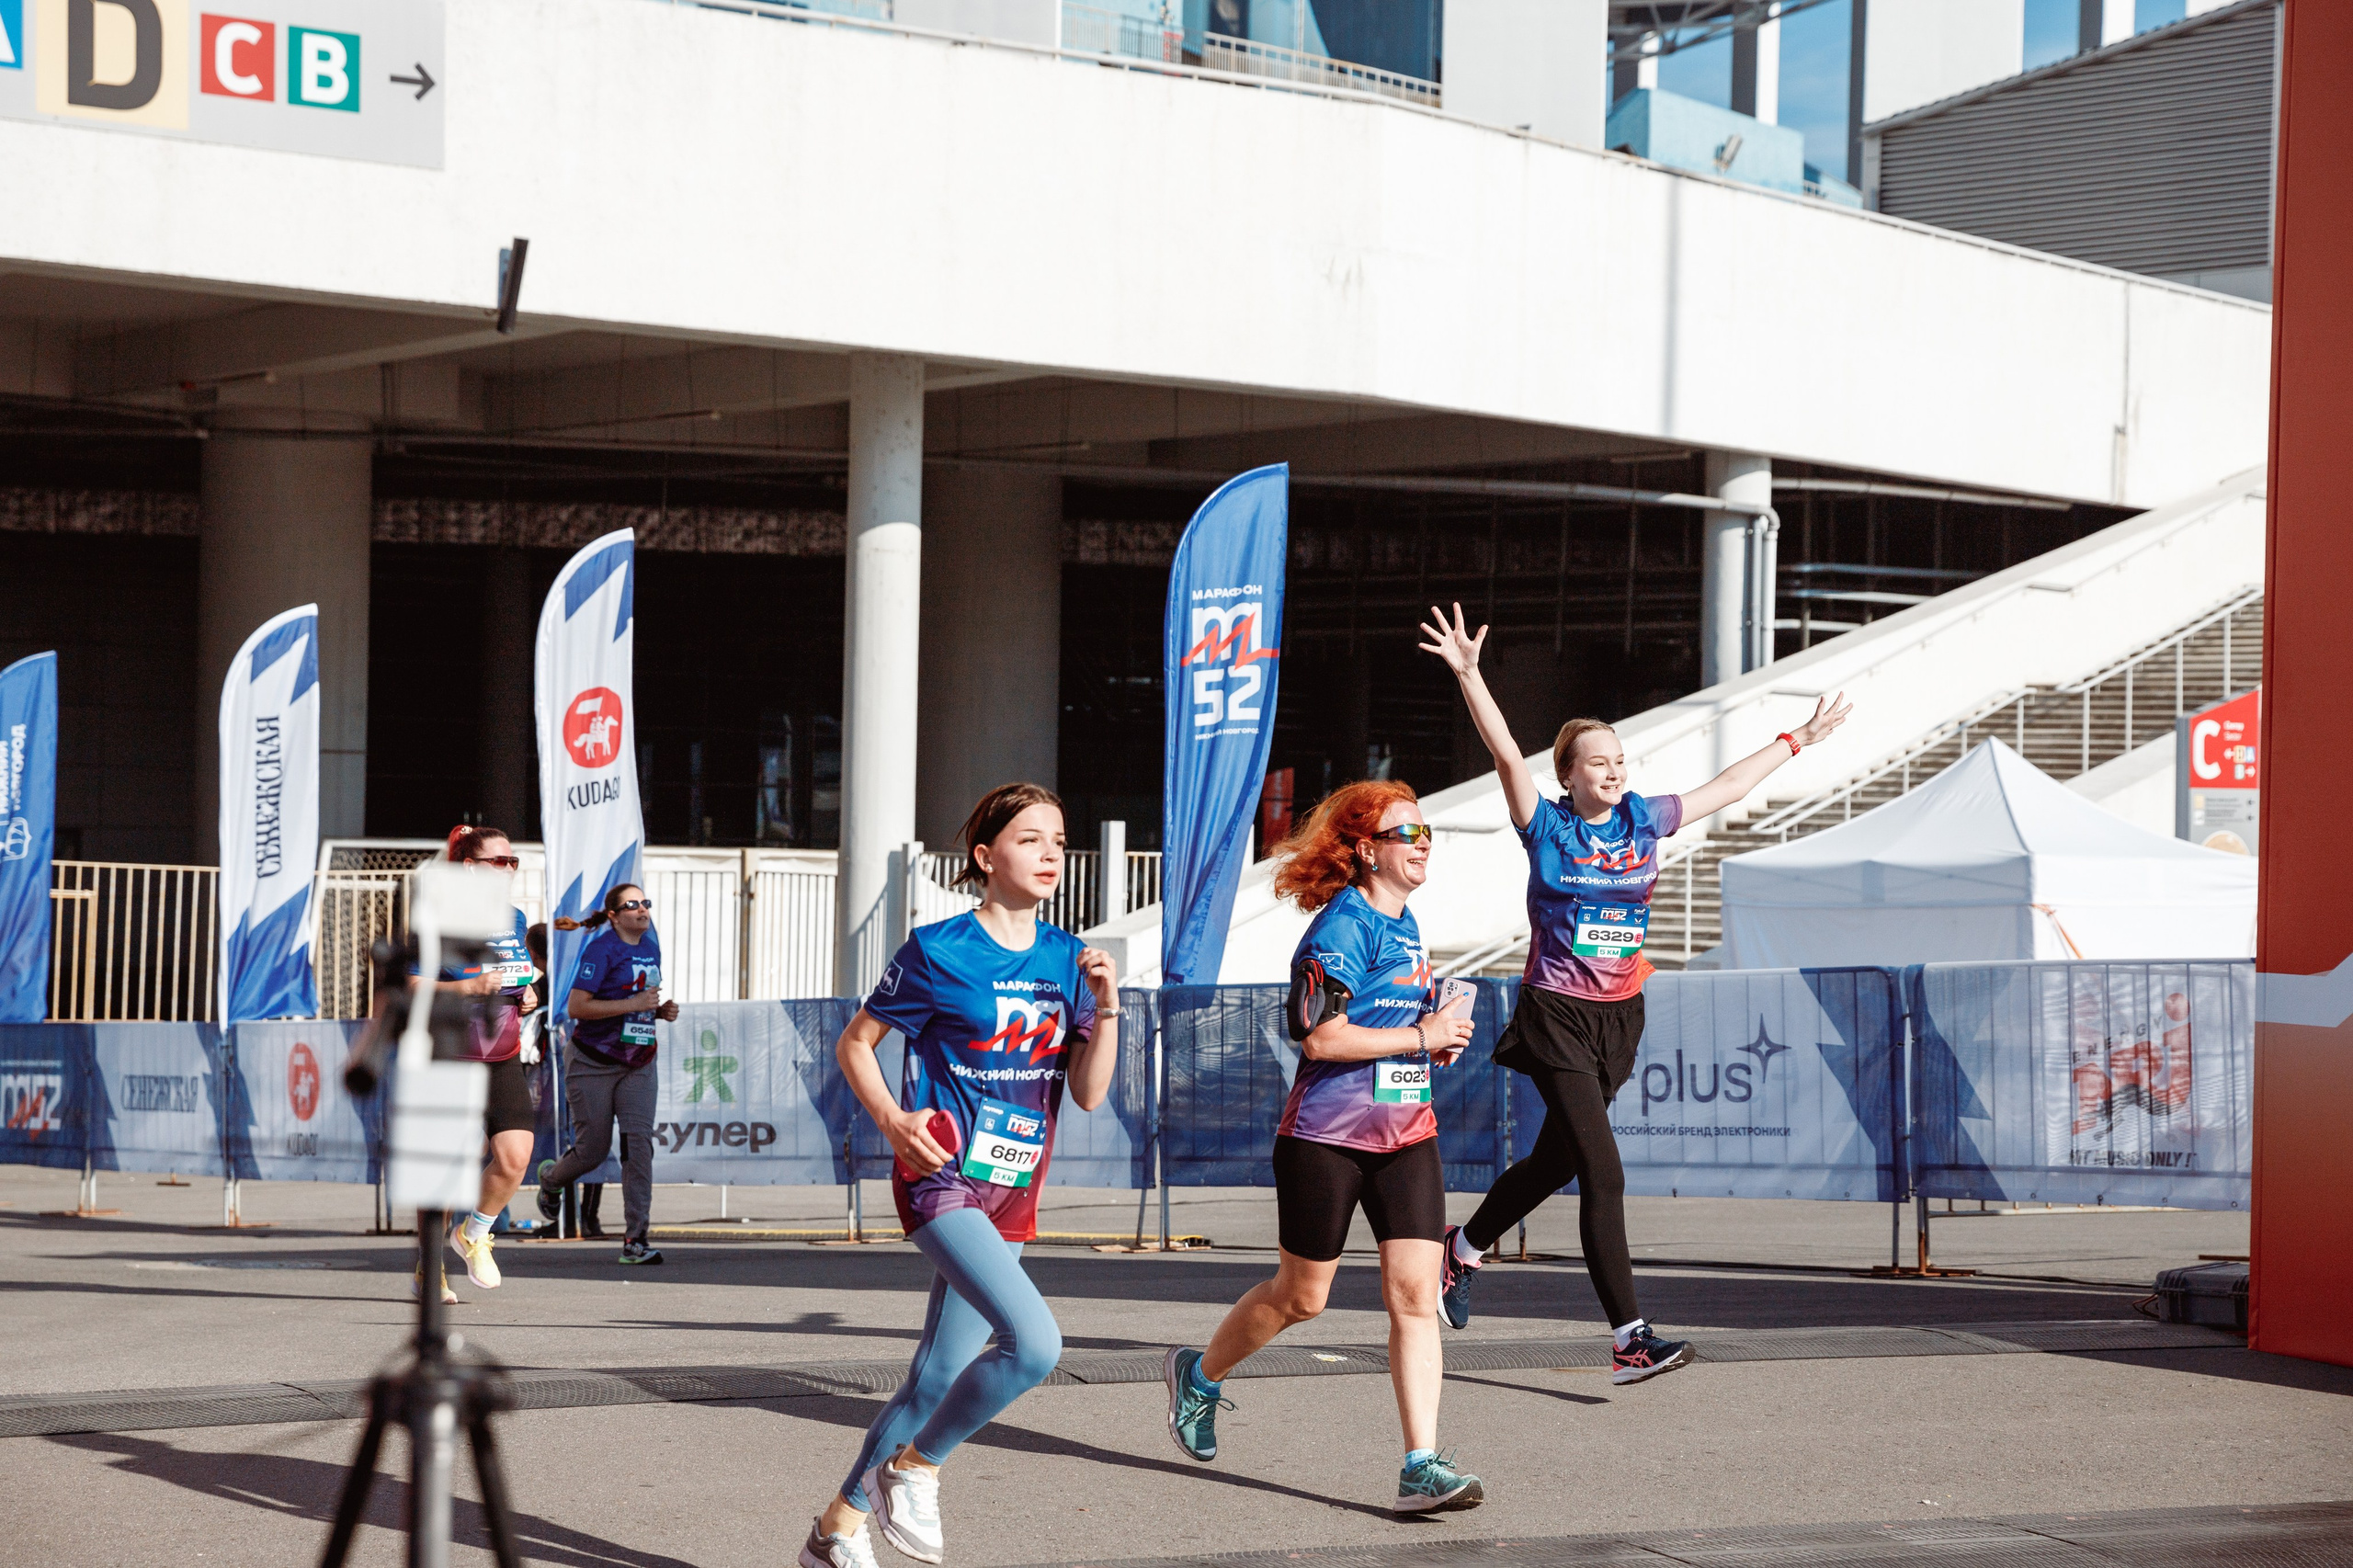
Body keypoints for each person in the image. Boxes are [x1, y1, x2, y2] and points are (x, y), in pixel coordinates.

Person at [1416, 602, 1851, 1382]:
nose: (1614, 770)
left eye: (1620, 758)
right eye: (1597, 761)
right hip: (1555, 1014)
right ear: (1569, 777)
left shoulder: (1645, 820)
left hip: (1621, 1018)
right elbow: (1508, 755)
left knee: (1554, 1161)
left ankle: (1462, 1250)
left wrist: (1796, 741)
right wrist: (1471, 676)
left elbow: (1726, 786)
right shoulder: (1545, 827)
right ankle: (1629, 1340)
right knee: (1602, 1171)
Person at [800, 783, 1120, 1568]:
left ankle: (835, 1528)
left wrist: (1109, 1008)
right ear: (986, 856)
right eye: (1031, 839)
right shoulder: (938, 950)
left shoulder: (1069, 959)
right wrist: (893, 1122)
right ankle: (914, 1469)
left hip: (1015, 1184)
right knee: (1036, 1344)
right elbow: (854, 1045)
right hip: (940, 1176)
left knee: (938, 1372)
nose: (1051, 854)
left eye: (1059, 839)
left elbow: (1087, 1091)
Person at [1163, 780, 1485, 1515]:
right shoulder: (1343, 926)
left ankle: (1420, 1464)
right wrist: (1419, 1036)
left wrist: (1433, 1036)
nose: (1423, 840)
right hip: (1326, 1139)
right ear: (1367, 850)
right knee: (1302, 1298)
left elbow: (1390, 1024)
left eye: (1426, 829)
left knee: (1413, 1295)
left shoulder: (1408, 922)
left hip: (1408, 1135)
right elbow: (1318, 1035)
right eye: (1407, 832)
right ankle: (1200, 1376)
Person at [413, 825, 540, 1303]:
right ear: (470, 867)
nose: (508, 869)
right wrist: (464, 988)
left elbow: (512, 975)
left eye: (513, 862)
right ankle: (430, 1267)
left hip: (499, 1052)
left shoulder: (514, 917)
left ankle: (474, 1233)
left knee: (515, 1158)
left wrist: (524, 993)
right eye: (499, 861)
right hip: (448, 1056)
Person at [535, 882, 679, 1265]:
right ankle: (552, 1180)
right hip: (592, 1062)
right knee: (593, 1151)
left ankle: (636, 1239)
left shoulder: (651, 945)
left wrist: (658, 1011)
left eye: (645, 902)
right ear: (614, 915)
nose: (642, 910)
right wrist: (633, 1003)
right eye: (631, 905)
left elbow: (641, 999)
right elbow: (578, 1007)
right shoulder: (600, 949)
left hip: (639, 1061)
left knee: (638, 1148)